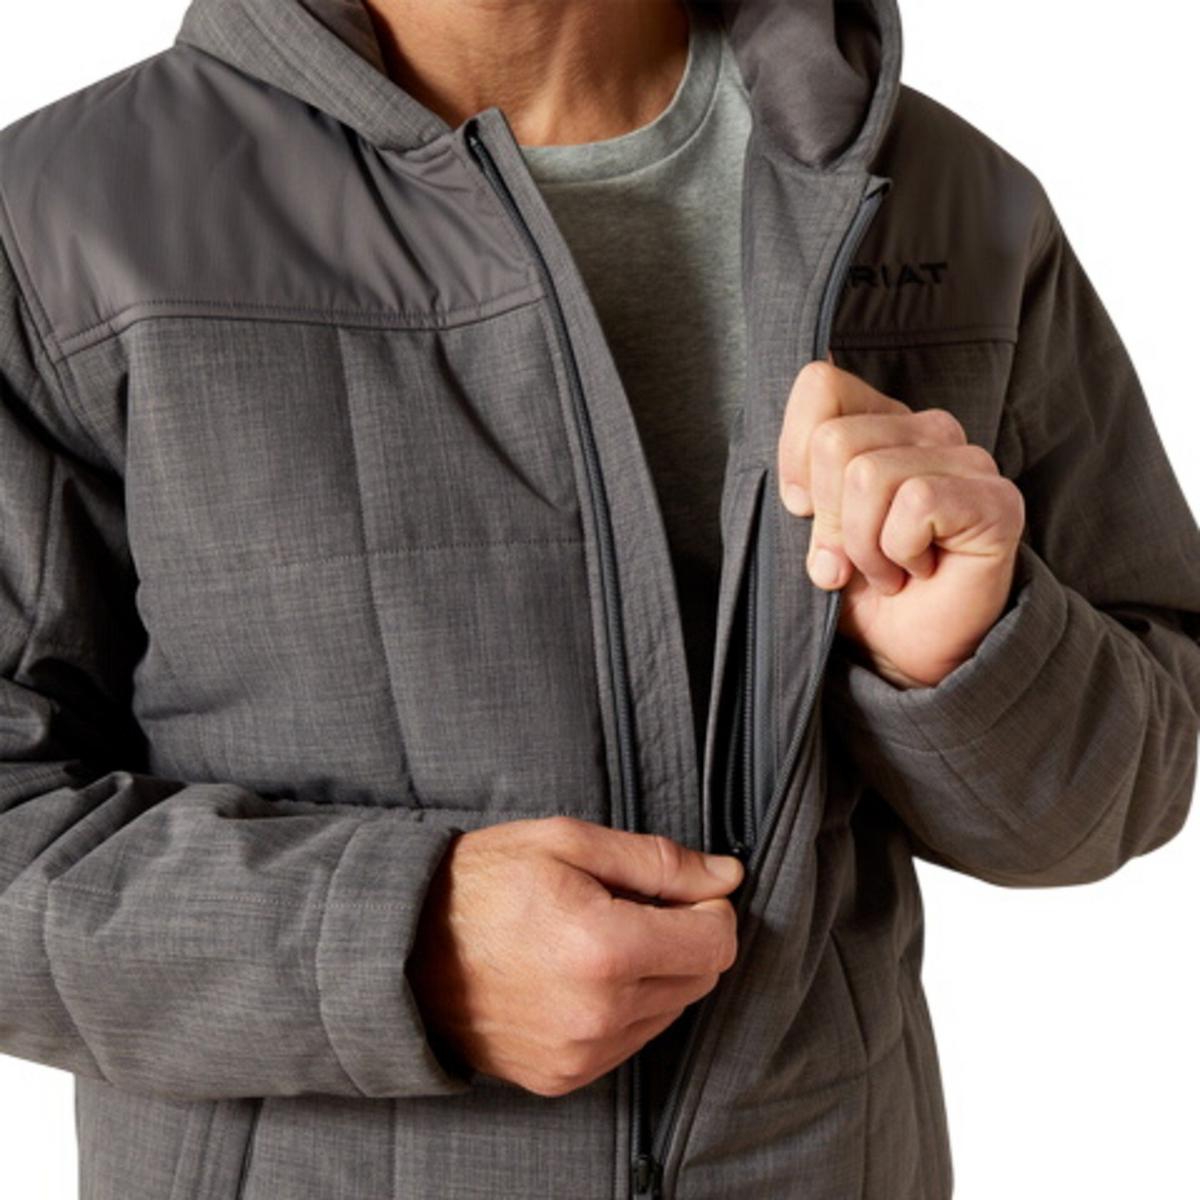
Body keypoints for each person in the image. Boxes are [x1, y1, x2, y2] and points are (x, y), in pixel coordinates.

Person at [0, 0, 1196, 1197]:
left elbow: (1120, 790)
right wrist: (394, 950)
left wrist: (969, 658)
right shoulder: (59, 223)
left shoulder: (943, 194)